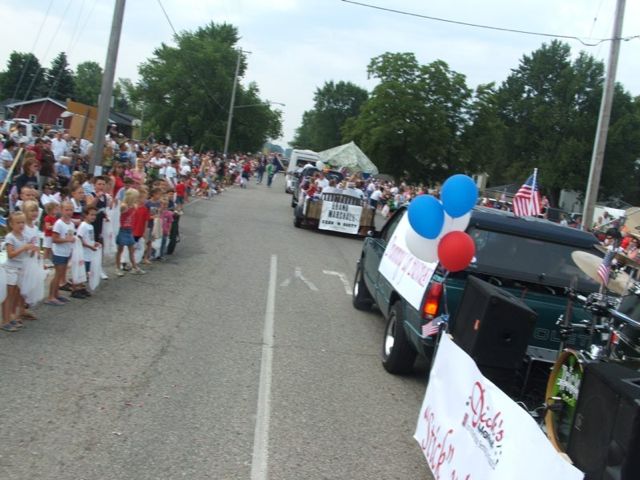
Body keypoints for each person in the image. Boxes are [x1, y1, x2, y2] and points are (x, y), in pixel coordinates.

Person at [2, 212, 38, 331]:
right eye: (18, 223)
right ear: (11, 224)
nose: (21, 225)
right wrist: (24, 248)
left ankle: (12, 316)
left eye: (22, 222)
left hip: (20, 268)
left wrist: (32, 250)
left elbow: (26, 254)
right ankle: (5, 320)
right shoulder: (10, 237)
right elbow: (11, 255)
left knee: (16, 294)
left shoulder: (24, 237)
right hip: (11, 269)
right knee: (9, 296)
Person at [45, 201, 76, 306]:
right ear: (62, 210)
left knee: (62, 274)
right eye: (66, 210)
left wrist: (71, 246)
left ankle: (56, 294)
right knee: (57, 275)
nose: (69, 212)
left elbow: (70, 237)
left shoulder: (71, 223)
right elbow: (54, 239)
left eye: (71, 210)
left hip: (66, 252)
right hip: (59, 252)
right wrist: (66, 240)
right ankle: (50, 296)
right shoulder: (58, 223)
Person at [116, 188, 145, 276]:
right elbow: (117, 214)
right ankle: (117, 268)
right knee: (120, 250)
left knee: (131, 250)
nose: (137, 199)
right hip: (122, 229)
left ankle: (134, 267)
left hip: (129, 229)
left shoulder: (133, 206)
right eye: (136, 197)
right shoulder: (124, 206)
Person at [77, 206, 101, 296]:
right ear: (85, 215)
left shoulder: (90, 226)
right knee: (82, 272)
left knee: (86, 272)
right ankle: (77, 289)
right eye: (91, 215)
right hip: (84, 253)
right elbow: (79, 238)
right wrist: (89, 246)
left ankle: (82, 288)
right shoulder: (83, 225)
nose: (93, 217)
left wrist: (95, 243)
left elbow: (89, 239)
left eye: (95, 215)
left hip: (89, 254)